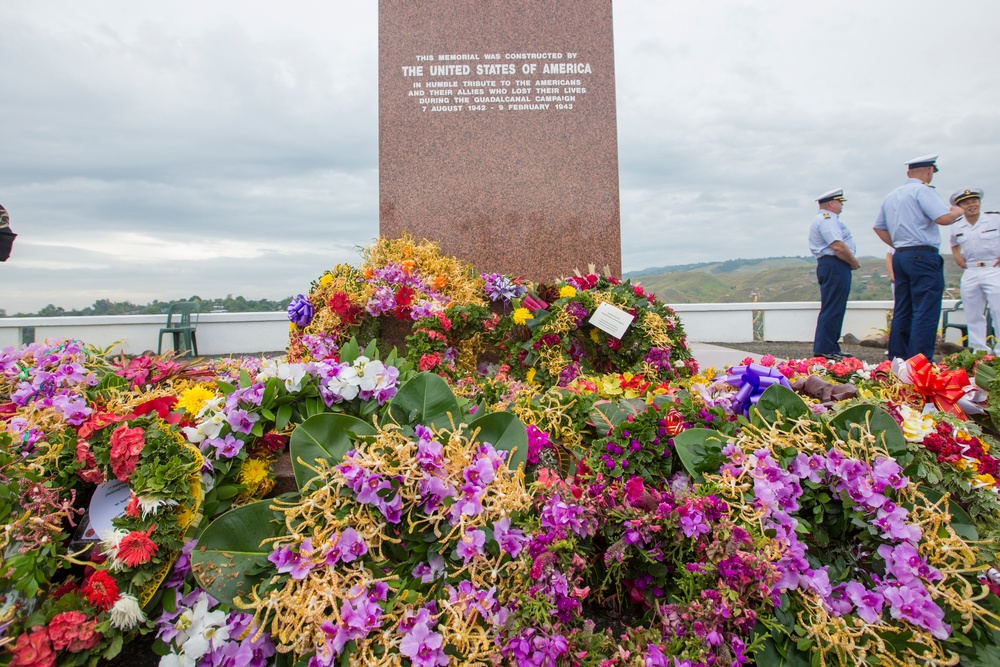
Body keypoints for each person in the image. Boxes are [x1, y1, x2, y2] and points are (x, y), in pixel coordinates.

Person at [873, 155, 965, 360]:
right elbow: (943, 218)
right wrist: (957, 211)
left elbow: (878, 227)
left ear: (908, 173)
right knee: (925, 308)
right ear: (930, 171)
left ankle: (898, 359)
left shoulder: (891, 196)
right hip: (922, 255)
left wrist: (898, 244)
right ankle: (920, 361)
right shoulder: (922, 190)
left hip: (901, 256)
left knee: (903, 308)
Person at [809, 188, 860, 359]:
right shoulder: (827, 219)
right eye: (840, 202)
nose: (841, 205)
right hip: (834, 265)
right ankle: (825, 348)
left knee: (835, 306)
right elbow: (837, 246)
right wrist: (853, 262)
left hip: (833, 265)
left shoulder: (828, 219)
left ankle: (830, 346)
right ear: (831, 203)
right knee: (833, 307)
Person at [949, 188, 1000, 353]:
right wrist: (956, 255)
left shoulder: (994, 219)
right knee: (973, 313)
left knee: (998, 310)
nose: (971, 205)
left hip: (993, 268)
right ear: (960, 206)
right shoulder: (957, 224)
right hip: (971, 270)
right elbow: (953, 242)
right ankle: (979, 351)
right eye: (966, 203)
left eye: (974, 201)